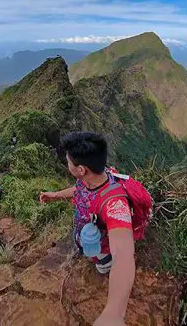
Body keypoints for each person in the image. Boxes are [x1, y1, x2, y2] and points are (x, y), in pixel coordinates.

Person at [39, 131, 135, 326]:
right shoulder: (92, 177)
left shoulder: (114, 203)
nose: (67, 165)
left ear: (81, 169)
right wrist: (56, 195)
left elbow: (124, 254)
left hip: (103, 247)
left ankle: (104, 266)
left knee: (103, 264)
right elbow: (79, 189)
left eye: (68, 162)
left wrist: (114, 313)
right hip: (86, 237)